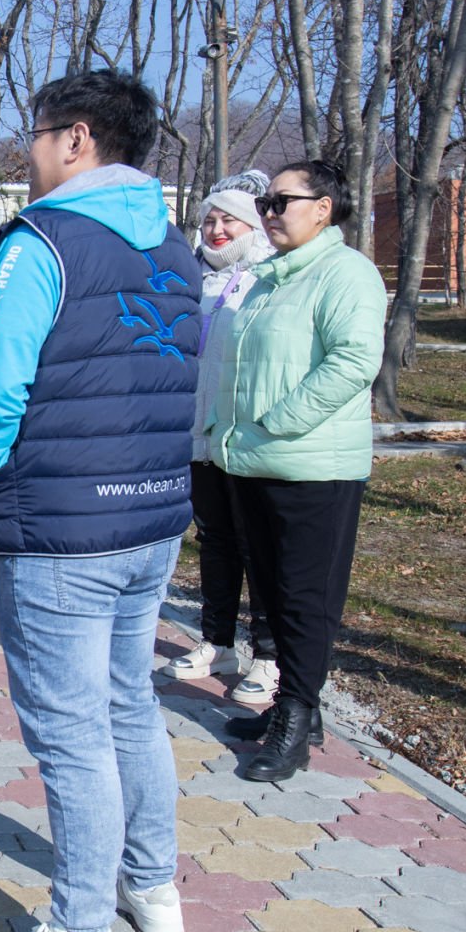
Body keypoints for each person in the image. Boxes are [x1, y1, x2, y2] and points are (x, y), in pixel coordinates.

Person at [0, 71, 200, 932]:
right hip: (150, 514)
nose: (29, 150)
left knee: (71, 729)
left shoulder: (42, 239)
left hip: (64, 525)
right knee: (129, 702)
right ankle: (152, 882)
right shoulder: (173, 243)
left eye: (38, 132)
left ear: (77, 138)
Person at [207, 160, 386, 782]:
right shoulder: (269, 279)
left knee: (307, 600)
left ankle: (297, 718)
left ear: (324, 208)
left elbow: (353, 362)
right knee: (275, 595)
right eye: (267, 204)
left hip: (312, 467)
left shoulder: (346, 273)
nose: (270, 213)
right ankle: (294, 707)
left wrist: (279, 422)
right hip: (253, 461)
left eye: (282, 201)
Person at [163, 171, 279, 704]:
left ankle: (269, 656)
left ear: (253, 224)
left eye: (229, 220)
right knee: (215, 540)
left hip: (247, 436)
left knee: (260, 546)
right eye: (210, 220)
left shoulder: (267, 279)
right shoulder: (194, 278)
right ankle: (218, 642)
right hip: (198, 435)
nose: (216, 230)